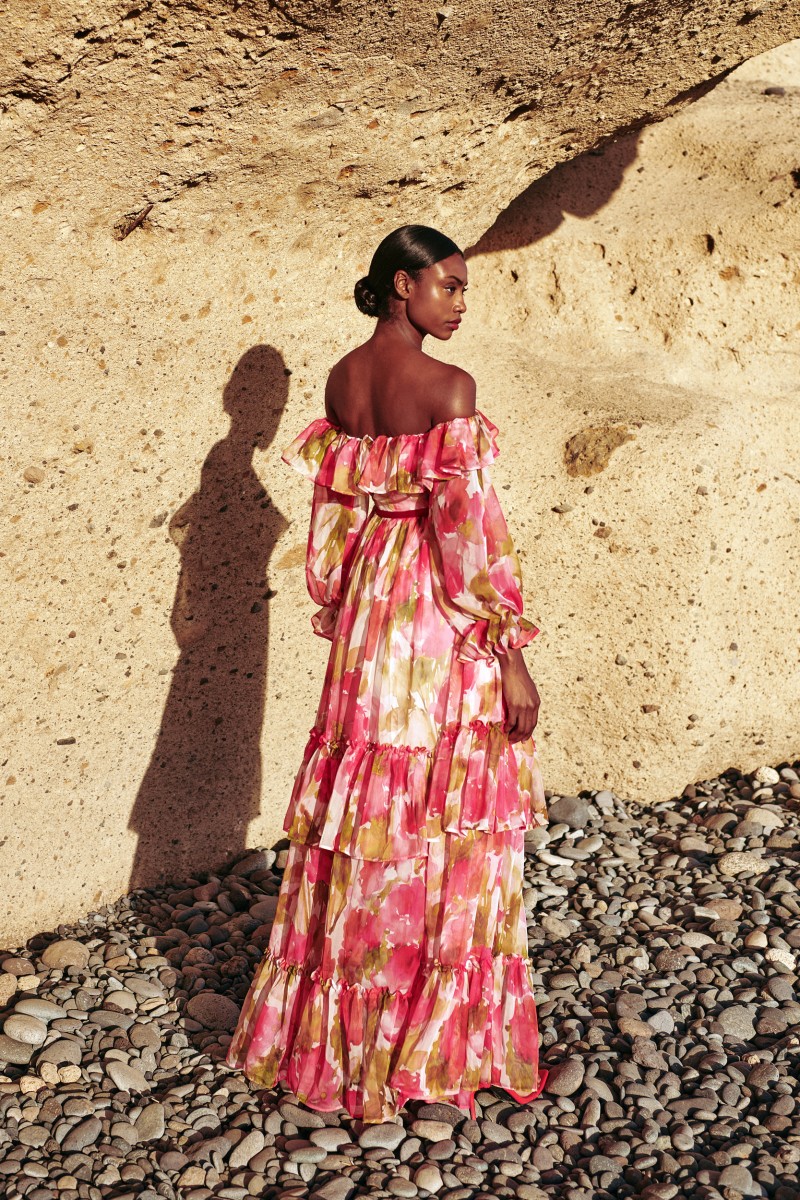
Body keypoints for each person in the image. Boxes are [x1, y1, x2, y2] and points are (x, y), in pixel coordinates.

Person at [226, 224, 550, 1123]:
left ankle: (340, 1036)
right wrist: (512, 657)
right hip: (435, 609)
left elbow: (332, 525)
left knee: (369, 807)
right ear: (404, 285)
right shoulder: (450, 388)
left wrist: (346, 604)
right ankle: (431, 1040)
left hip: (371, 608)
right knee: (443, 807)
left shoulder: (341, 381)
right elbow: (470, 541)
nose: (460, 303)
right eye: (450, 285)